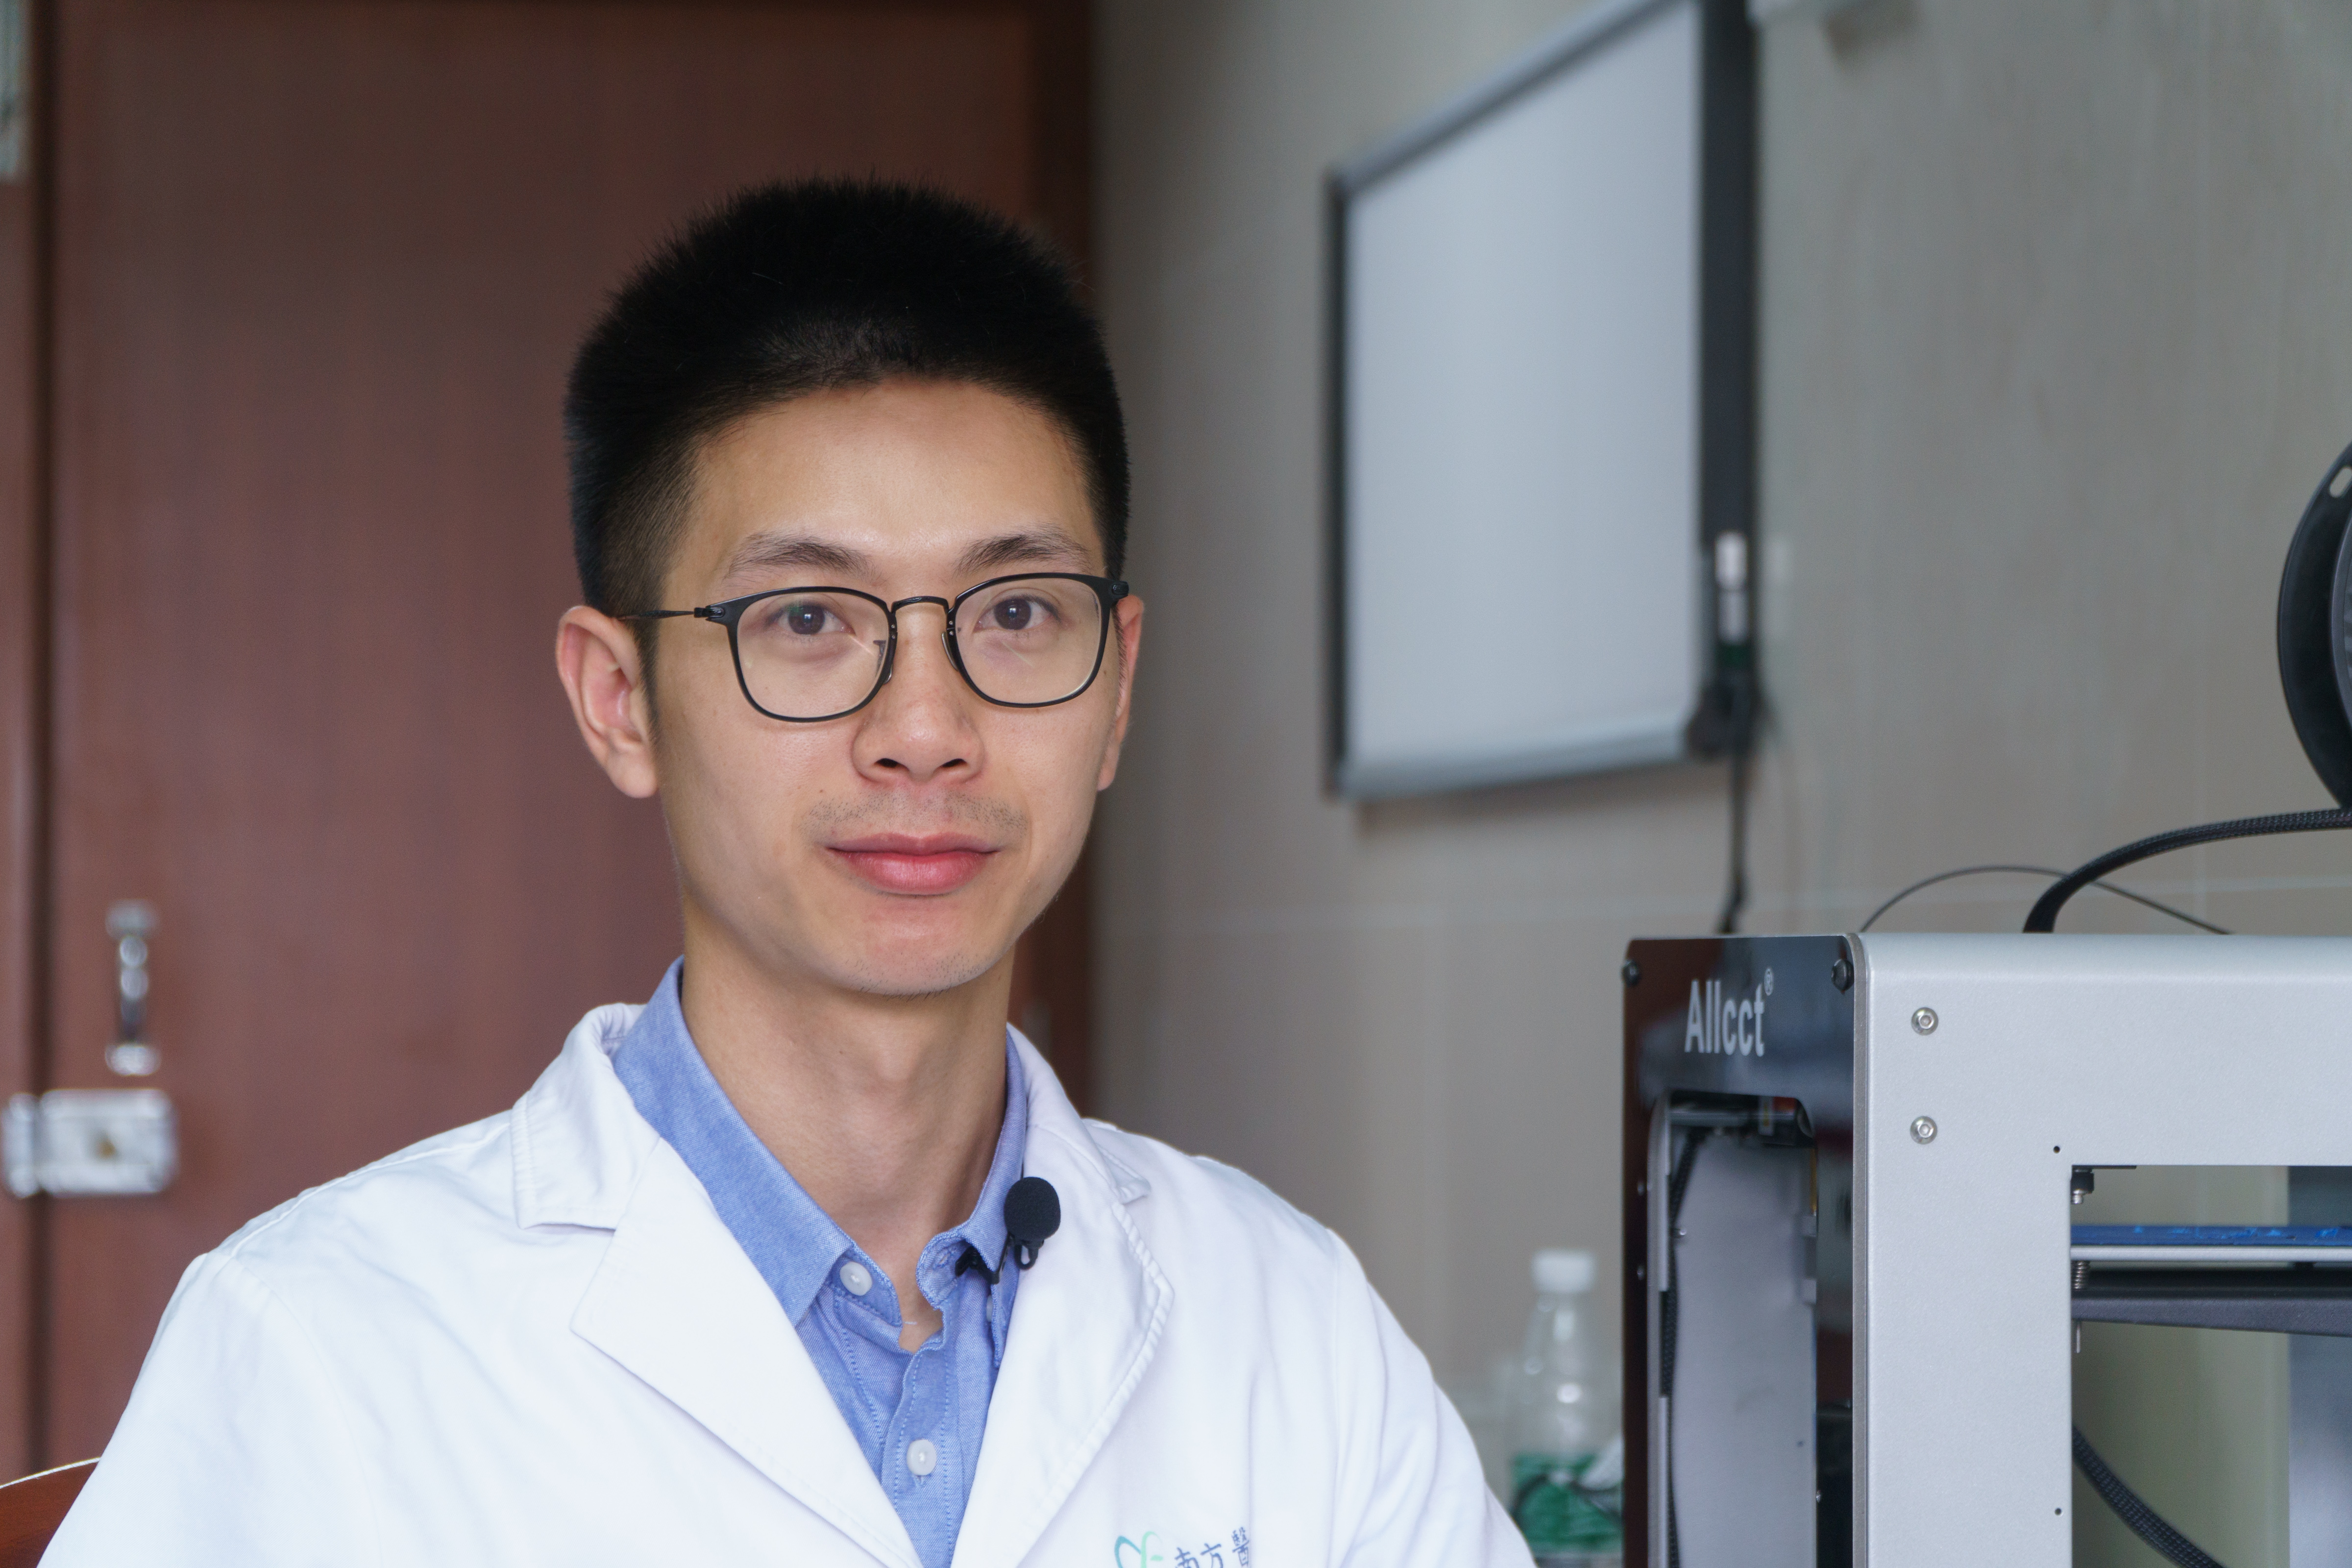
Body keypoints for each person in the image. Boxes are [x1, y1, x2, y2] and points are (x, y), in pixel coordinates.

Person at [43, 180, 1526, 1567]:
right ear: (620, 701)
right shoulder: (321, 1349)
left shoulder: (1292, 1326)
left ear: (1118, 685)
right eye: (808, 620)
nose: (927, 730)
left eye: (1016, 612)